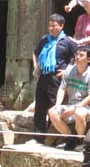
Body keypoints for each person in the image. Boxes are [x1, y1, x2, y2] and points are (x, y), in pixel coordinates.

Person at [31, 14, 77, 144]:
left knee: (54, 108)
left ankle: (55, 138)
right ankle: (38, 137)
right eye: (49, 25)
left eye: (54, 26)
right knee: (39, 108)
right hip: (43, 77)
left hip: (56, 79)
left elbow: (77, 57)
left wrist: (67, 70)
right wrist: (36, 66)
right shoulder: (44, 39)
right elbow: (36, 52)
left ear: (61, 26)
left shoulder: (67, 42)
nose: (51, 28)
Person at [48, 46, 90, 150]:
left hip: (86, 107)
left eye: (81, 55)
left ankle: (80, 141)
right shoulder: (69, 71)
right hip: (70, 104)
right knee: (52, 112)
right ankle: (70, 139)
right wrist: (57, 105)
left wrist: (75, 108)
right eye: (77, 54)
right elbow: (62, 89)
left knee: (79, 113)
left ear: (89, 59)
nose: (77, 57)